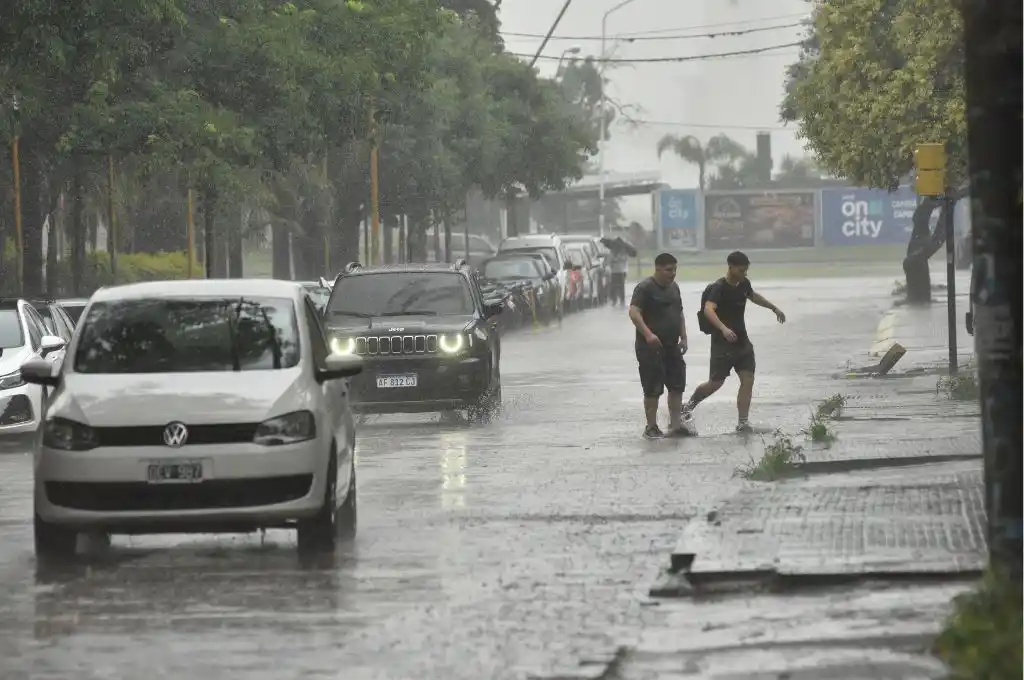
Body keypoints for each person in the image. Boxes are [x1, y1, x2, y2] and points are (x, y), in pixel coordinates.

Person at [681, 251, 785, 433]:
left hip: (742, 343)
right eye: (741, 270)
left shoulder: (744, 283)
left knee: (748, 379)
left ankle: (743, 423)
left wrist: (774, 308)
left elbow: (753, 296)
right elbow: (708, 310)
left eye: (746, 270)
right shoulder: (718, 288)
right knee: (715, 383)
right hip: (722, 344)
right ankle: (687, 407)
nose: (744, 274)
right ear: (730, 267)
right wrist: (723, 329)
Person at [628, 252, 691, 439]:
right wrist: (648, 334)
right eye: (668, 270)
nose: (673, 274)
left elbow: (679, 313)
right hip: (650, 347)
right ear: (657, 268)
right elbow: (634, 312)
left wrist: (684, 337)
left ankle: (675, 424)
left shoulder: (674, 288)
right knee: (652, 387)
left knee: (677, 384)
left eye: (675, 270)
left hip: (672, 345)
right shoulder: (645, 288)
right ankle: (651, 426)